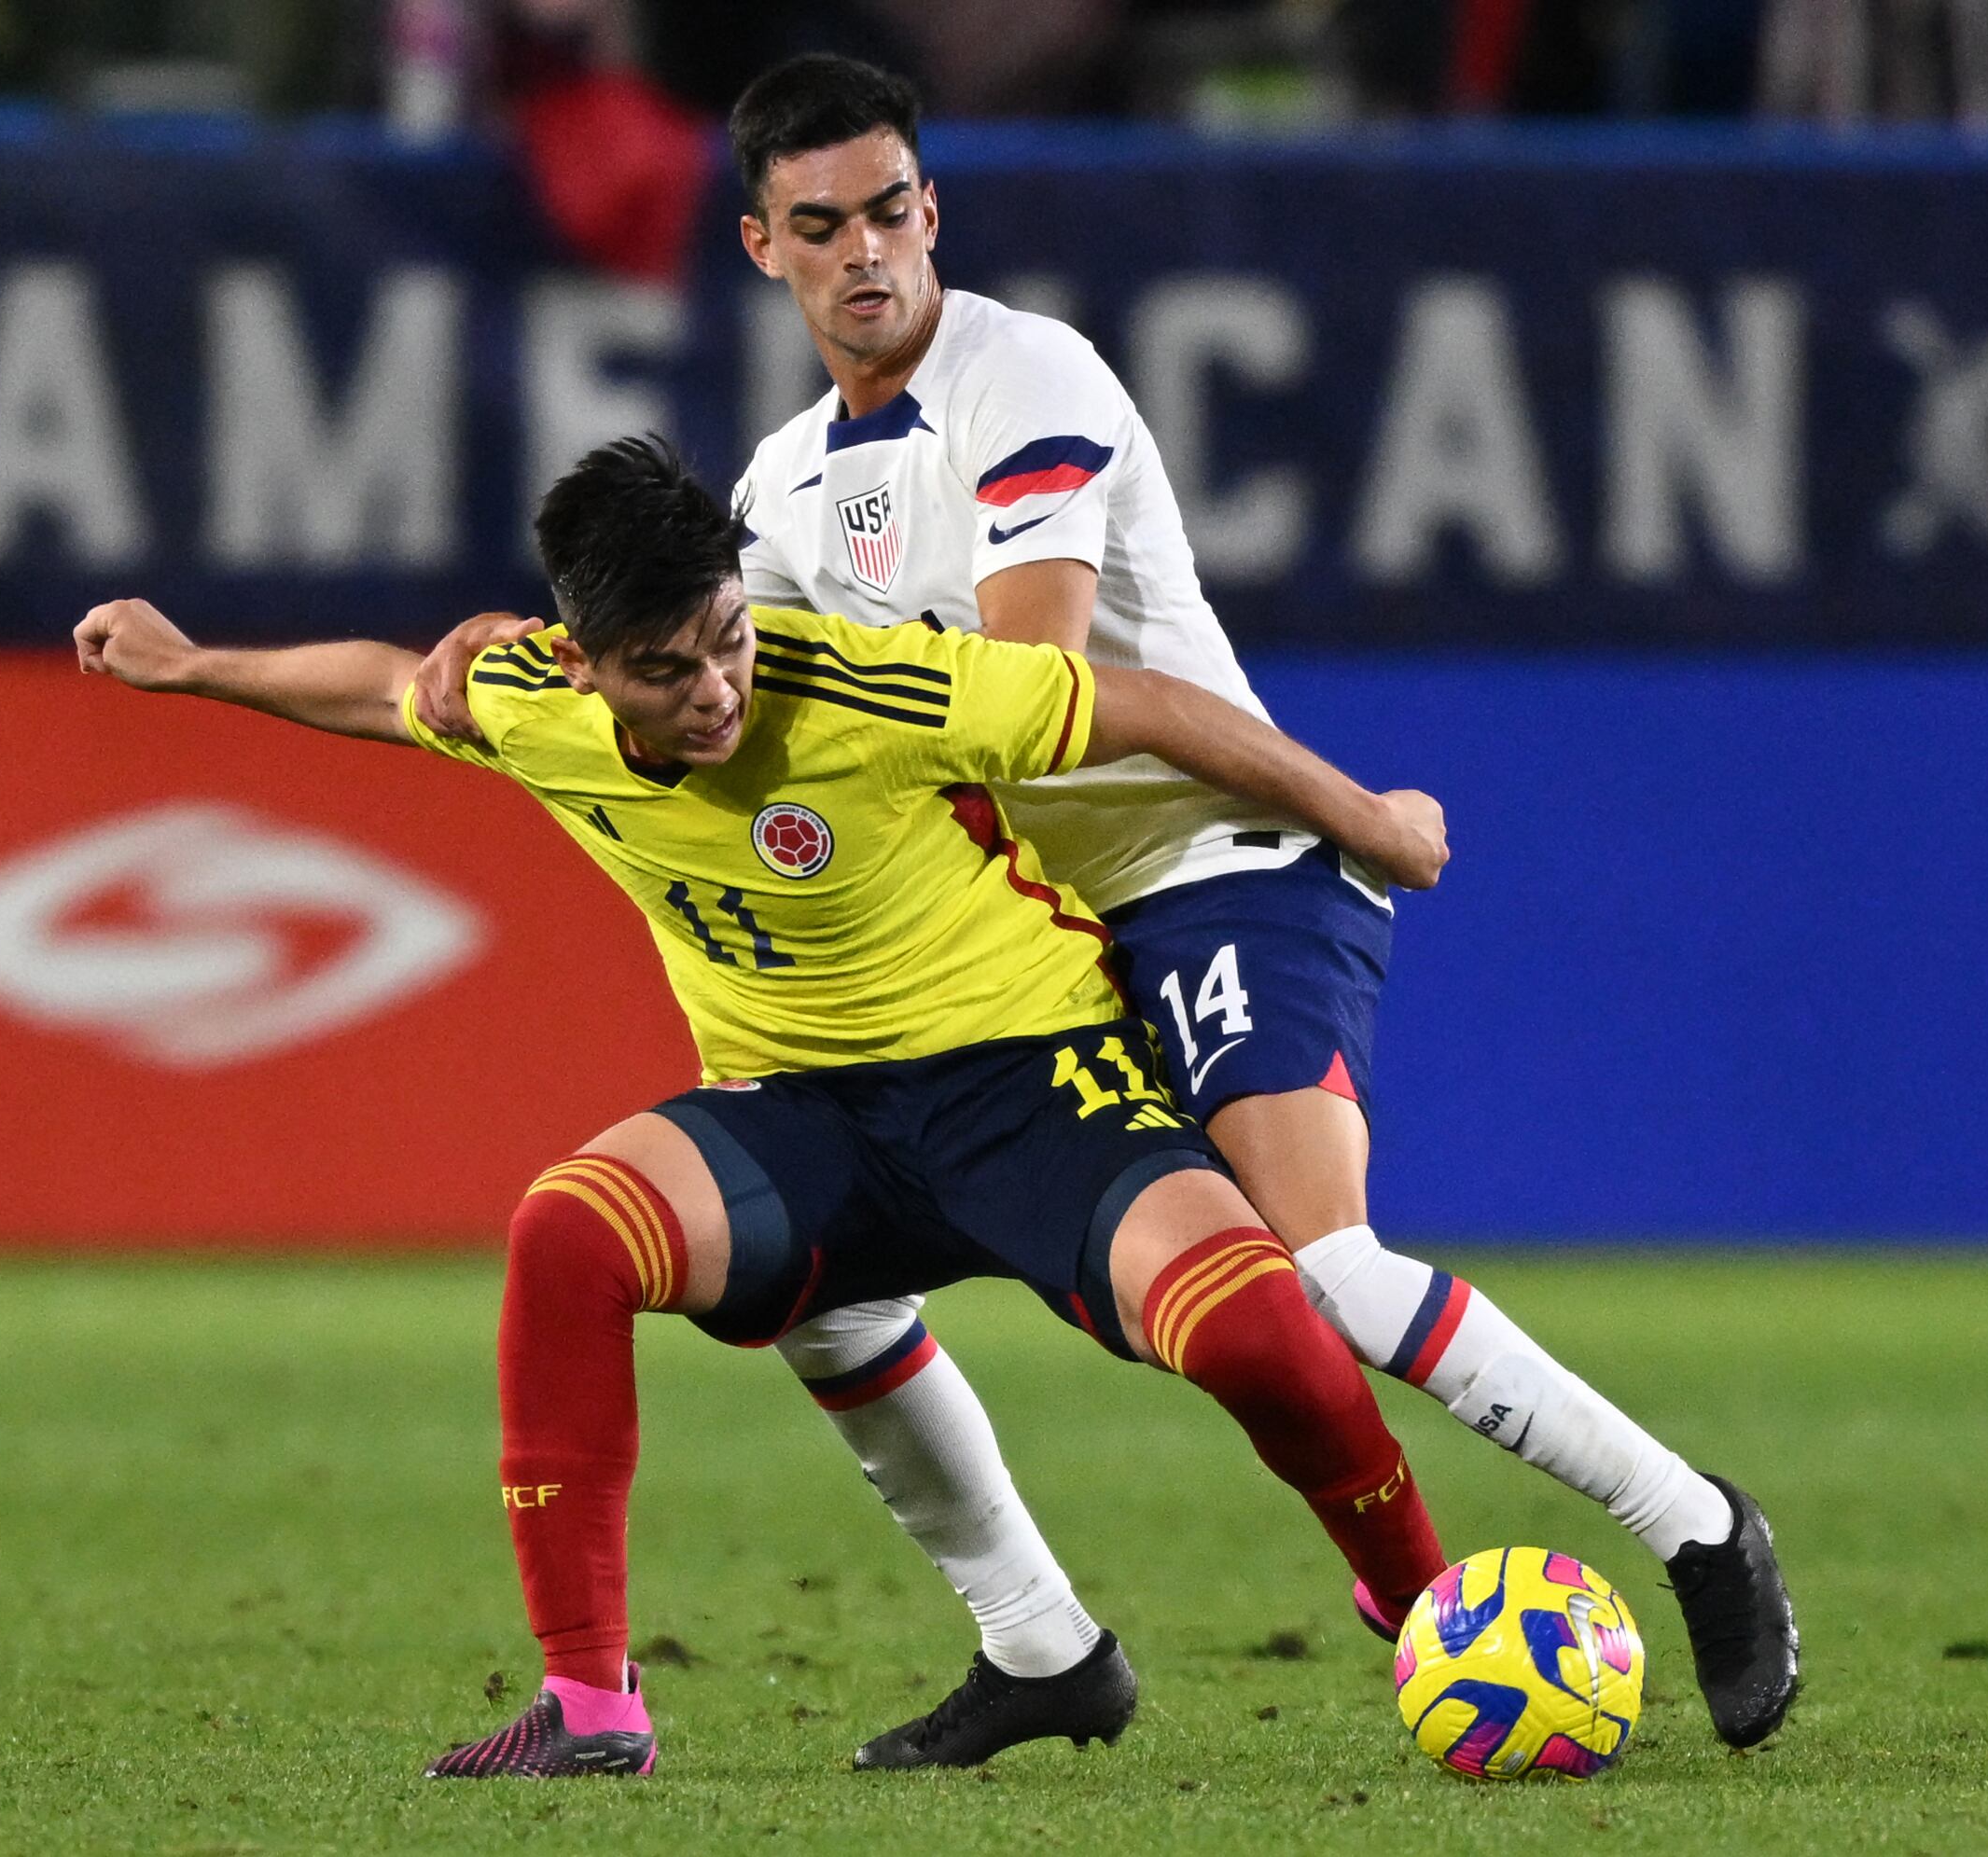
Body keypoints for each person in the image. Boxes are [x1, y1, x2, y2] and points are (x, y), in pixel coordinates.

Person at [413, 52, 1799, 1762]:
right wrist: (512, 655)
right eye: (825, 224)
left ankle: (1694, 1530)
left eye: (896, 211)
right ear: (765, 245)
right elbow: (715, 667)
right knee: (825, 1291)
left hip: (1213, 863)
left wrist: (1367, 815)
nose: (870, 254)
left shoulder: (1022, 375)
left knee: (1327, 1269)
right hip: (1040, 947)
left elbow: (1039, 670)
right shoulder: (777, 488)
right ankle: (1040, 1642)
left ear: (937, 211)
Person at [73, 434, 1457, 1781]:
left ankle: (1429, 1612)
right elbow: (384, 688)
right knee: (568, 1232)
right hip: (810, 1117)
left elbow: (1148, 706)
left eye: (727, 635)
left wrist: (1372, 823)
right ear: (582, 665)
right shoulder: (534, 701)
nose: (716, 688)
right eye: (664, 670)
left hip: (1029, 1082)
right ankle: (588, 1701)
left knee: (1259, 1330)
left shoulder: (874, 686)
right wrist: (190, 666)